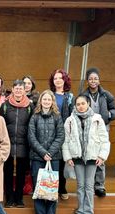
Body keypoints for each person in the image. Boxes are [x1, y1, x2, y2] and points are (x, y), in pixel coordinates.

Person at [62, 95, 110, 214]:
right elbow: (66, 140)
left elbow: (104, 139)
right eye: (78, 104)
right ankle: (80, 212)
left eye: (83, 103)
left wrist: (102, 156)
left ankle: (88, 213)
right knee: (80, 186)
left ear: (88, 104)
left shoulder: (97, 119)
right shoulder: (70, 120)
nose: (80, 106)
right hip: (77, 158)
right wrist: (68, 157)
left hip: (92, 158)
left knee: (89, 186)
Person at [80, 67, 115, 197]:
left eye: (95, 78)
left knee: (100, 157)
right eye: (90, 79)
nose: (93, 81)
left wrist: (109, 114)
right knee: (89, 156)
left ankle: (100, 185)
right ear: (87, 81)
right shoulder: (83, 95)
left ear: (99, 80)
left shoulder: (106, 95)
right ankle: (89, 184)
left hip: (103, 128)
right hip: (87, 129)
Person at [28, 90, 65, 214]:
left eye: (49, 100)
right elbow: (31, 137)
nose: (46, 102)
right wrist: (43, 153)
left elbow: (60, 136)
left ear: (52, 102)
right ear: (41, 101)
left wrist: (50, 153)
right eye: (44, 99)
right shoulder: (34, 116)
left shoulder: (57, 116)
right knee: (38, 185)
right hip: (38, 157)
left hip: (54, 158)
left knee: (51, 185)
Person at [0, 79, 34, 208]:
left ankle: (19, 198)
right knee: (7, 172)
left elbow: (32, 126)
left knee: (21, 173)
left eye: (21, 88)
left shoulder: (30, 107)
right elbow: (0, 125)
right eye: (16, 88)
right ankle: (9, 198)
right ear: (12, 90)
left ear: (25, 90)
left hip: (23, 145)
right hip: (7, 144)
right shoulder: (5, 105)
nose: (18, 91)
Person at [49, 69, 74, 200]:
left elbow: (72, 116)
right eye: (55, 78)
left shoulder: (69, 97)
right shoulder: (49, 95)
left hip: (64, 132)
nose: (57, 80)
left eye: (60, 78)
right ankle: (51, 188)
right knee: (52, 160)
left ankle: (62, 187)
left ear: (65, 80)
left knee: (63, 160)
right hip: (49, 132)